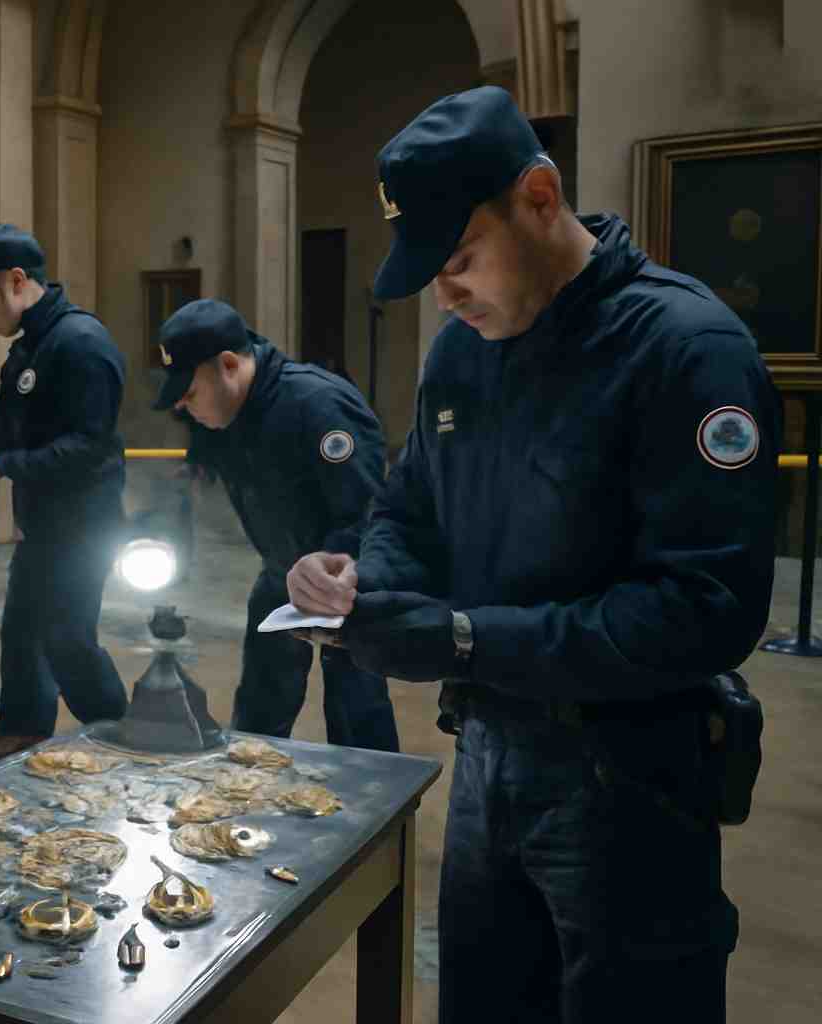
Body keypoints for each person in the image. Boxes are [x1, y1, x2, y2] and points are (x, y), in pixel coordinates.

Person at [286, 86, 779, 1023]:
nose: (447, 292)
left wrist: (464, 638)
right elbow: (409, 510)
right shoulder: (461, 355)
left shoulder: (684, 349)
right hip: (488, 760)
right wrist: (363, 578)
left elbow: (705, 608)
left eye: (463, 259)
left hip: (629, 780)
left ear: (541, 198)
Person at [153, 299, 398, 750]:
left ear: (228, 365)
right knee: (259, 708)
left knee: (357, 713)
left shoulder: (318, 405)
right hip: (279, 572)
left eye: (189, 395)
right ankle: (248, 801)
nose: (186, 410)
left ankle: (382, 810)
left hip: (344, 579)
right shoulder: (224, 414)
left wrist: (331, 578)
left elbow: (370, 513)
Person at [0, 224, 128, 768]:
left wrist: (10, 465)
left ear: (17, 281)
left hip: (83, 525)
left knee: (67, 637)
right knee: (23, 629)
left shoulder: (80, 343)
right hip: (46, 523)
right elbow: (10, 423)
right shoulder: (31, 348)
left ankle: (123, 736)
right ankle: (24, 731)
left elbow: (88, 447)